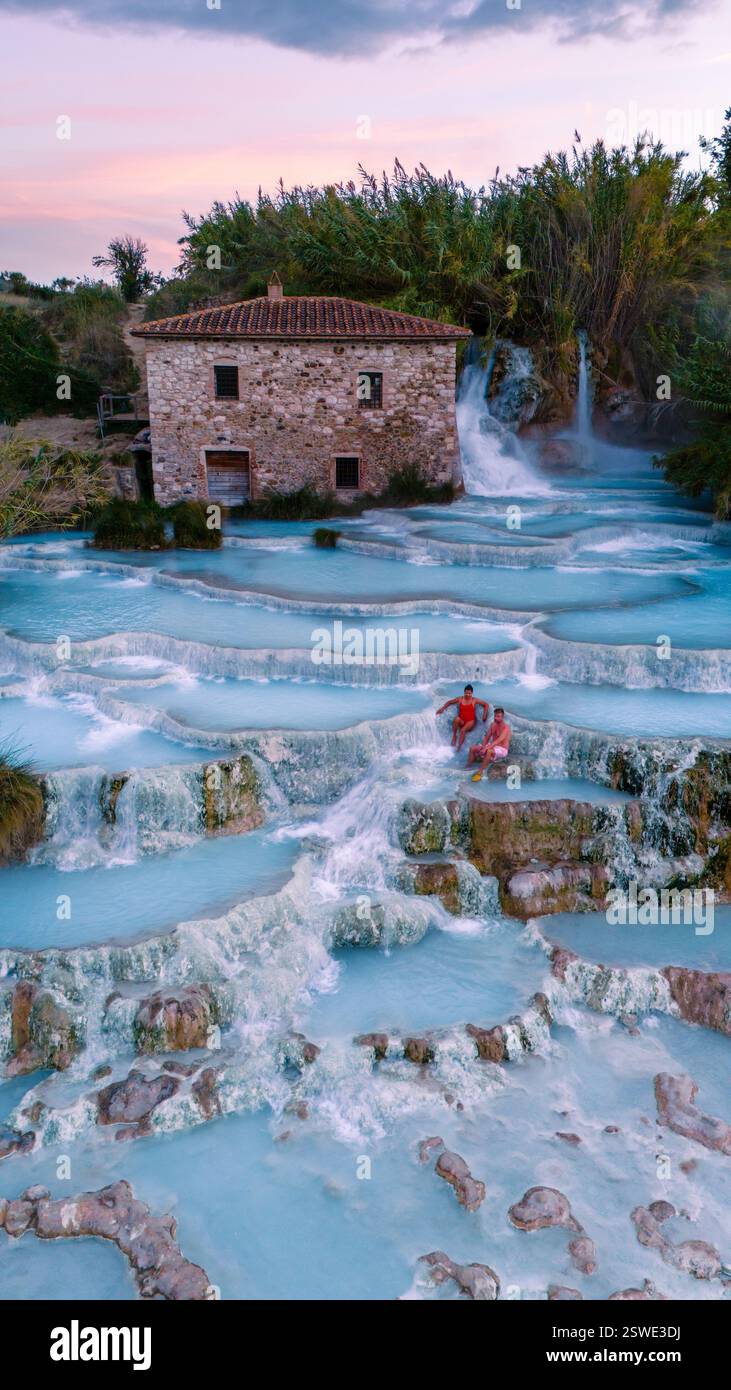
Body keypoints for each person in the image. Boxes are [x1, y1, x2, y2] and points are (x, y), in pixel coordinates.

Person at [436, 684, 489, 749]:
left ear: (472, 693)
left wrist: (484, 715)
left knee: (462, 730)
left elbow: (486, 705)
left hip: (470, 722)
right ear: (464, 692)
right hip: (462, 721)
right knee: (456, 719)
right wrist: (442, 708)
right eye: (466, 693)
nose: (468, 695)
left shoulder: (474, 700)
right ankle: (454, 736)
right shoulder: (460, 699)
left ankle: (459, 747)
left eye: (469, 693)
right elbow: (449, 702)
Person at [467, 707, 512, 780]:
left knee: (489, 751)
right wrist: (483, 746)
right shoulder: (493, 725)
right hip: (493, 746)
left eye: (498, 716)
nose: (496, 718)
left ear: (502, 717)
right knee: (473, 748)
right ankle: (468, 767)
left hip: (502, 749)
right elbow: (487, 737)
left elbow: (499, 740)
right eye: (495, 716)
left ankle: (480, 773)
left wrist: (486, 748)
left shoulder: (506, 728)